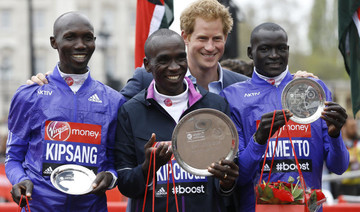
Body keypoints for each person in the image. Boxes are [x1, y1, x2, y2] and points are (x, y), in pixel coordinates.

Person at [220, 22, 349, 211]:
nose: (274, 55)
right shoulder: (233, 97)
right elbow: (239, 178)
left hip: (309, 207)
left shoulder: (313, 89)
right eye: (265, 49)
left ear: (288, 50)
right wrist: (259, 139)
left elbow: (339, 167)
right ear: (250, 52)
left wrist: (336, 135)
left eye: (281, 48)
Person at [5, 12, 126, 211]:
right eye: (70, 37)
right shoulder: (29, 94)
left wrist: (111, 178)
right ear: (54, 42)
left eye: (87, 37)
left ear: (95, 41)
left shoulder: (113, 100)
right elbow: (13, 158)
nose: (80, 45)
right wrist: (20, 180)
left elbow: (117, 162)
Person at [115, 28, 239, 212]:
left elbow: (227, 183)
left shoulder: (215, 106)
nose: (174, 67)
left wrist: (227, 183)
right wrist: (147, 168)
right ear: (147, 65)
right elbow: (125, 184)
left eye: (180, 58)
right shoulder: (131, 111)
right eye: (164, 60)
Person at [337, 118, 360, 196]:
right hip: (341, 186)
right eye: (352, 127)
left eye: (355, 126)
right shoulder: (337, 144)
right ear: (343, 128)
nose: (355, 129)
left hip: (357, 184)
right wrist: (347, 160)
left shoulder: (358, 142)